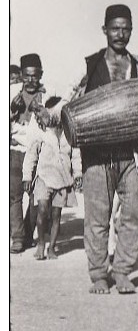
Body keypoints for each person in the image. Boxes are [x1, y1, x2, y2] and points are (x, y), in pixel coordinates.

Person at [69, 4, 138, 294]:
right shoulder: (90, 65)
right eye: (115, 28)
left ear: (131, 30)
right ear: (105, 30)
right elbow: (71, 103)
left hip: (134, 154)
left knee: (135, 214)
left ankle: (122, 270)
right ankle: (98, 274)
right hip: (97, 155)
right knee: (97, 219)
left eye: (126, 28)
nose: (120, 33)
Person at [22, 102, 82, 260]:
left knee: (56, 215)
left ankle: (52, 247)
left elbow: (76, 156)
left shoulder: (69, 135)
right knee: (42, 209)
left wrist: (77, 174)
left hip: (62, 179)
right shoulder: (41, 134)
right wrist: (27, 176)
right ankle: (41, 244)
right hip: (44, 177)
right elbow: (31, 156)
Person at [9, 55, 44, 253]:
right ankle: (18, 238)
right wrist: (11, 110)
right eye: (26, 76)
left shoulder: (46, 96)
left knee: (35, 198)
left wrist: (42, 111)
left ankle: (29, 233)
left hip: (36, 154)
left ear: (41, 75)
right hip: (15, 151)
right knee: (13, 197)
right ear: (21, 75)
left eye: (35, 76)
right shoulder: (10, 92)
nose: (31, 81)